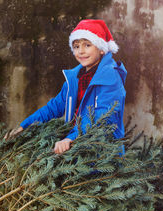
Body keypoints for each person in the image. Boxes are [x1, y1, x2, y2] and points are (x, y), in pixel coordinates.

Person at [11, 19, 127, 154]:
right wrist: (24, 126)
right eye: (76, 46)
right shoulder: (75, 78)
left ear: (102, 49)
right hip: (78, 144)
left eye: (87, 45)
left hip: (102, 151)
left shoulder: (110, 76)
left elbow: (101, 116)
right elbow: (54, 107)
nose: (81, 51)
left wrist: (70, 138)